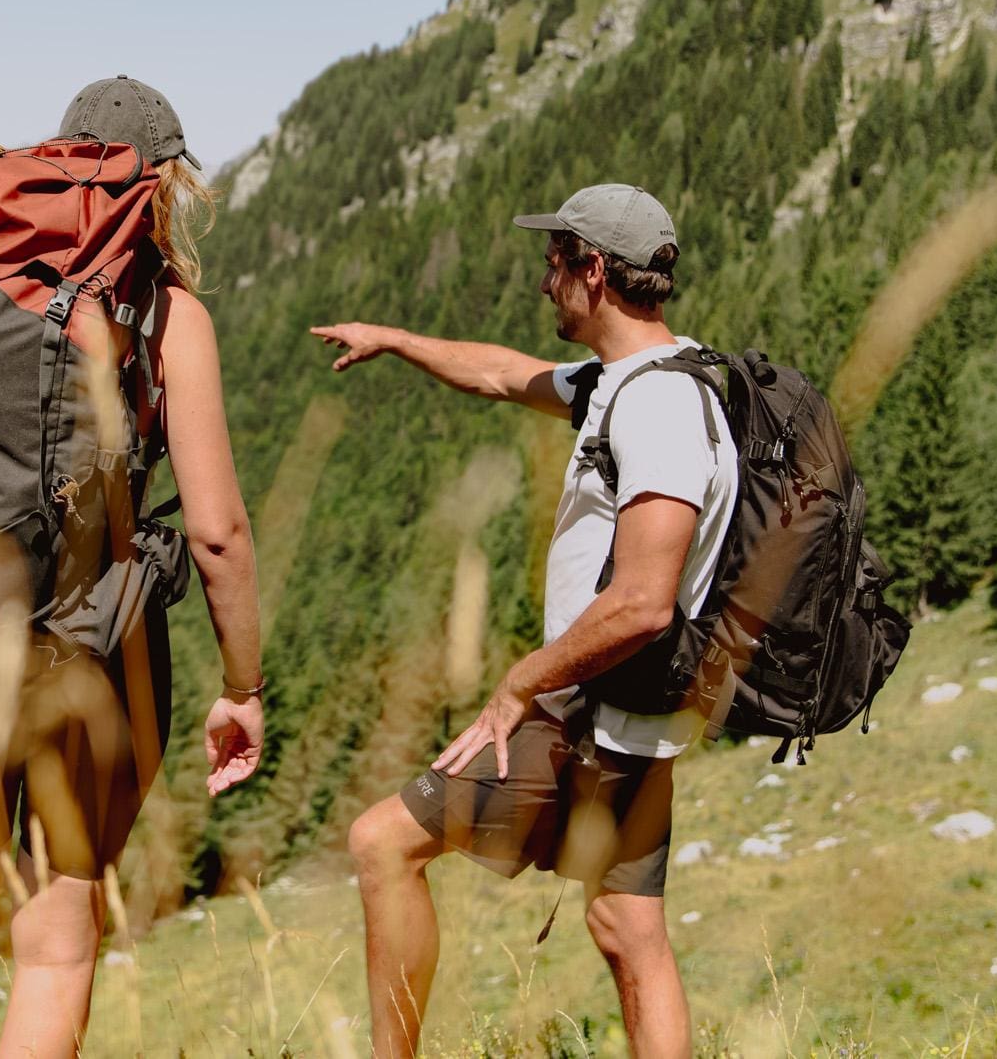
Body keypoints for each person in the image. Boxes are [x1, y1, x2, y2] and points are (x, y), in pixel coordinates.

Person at [0, 77, 266, 1059]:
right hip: (86, 646)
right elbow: (215, 532)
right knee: (53, 939)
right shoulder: (161, 313)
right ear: (164, 183)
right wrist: (243, 687)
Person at [312, 184, 736, 1059]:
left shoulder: (657, 407)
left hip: (586, 719)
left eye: (555, 263)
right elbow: (502, 373)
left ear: (593, 270)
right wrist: (393, 339)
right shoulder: (632, 382)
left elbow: (645, 598)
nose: (545, 282)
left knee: (382, 844)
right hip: (633, 721)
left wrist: (522, 681)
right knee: (628, 928)